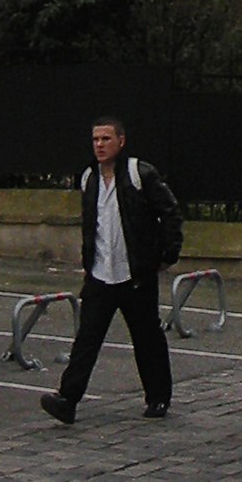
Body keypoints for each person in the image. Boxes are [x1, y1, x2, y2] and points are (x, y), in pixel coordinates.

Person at [39, 116, 183, 424]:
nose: (100, 145)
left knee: (147, 337)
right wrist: (88, 264)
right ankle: (68, 399)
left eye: (106, 139)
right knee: (87, 338)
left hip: (134, 274)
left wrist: (167, 254)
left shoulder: (139, 173)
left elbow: (170, 212)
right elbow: (91, 227)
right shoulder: (89, 178)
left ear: (121, 141)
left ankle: (158, 396)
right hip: (100, 273)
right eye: (95, 139)